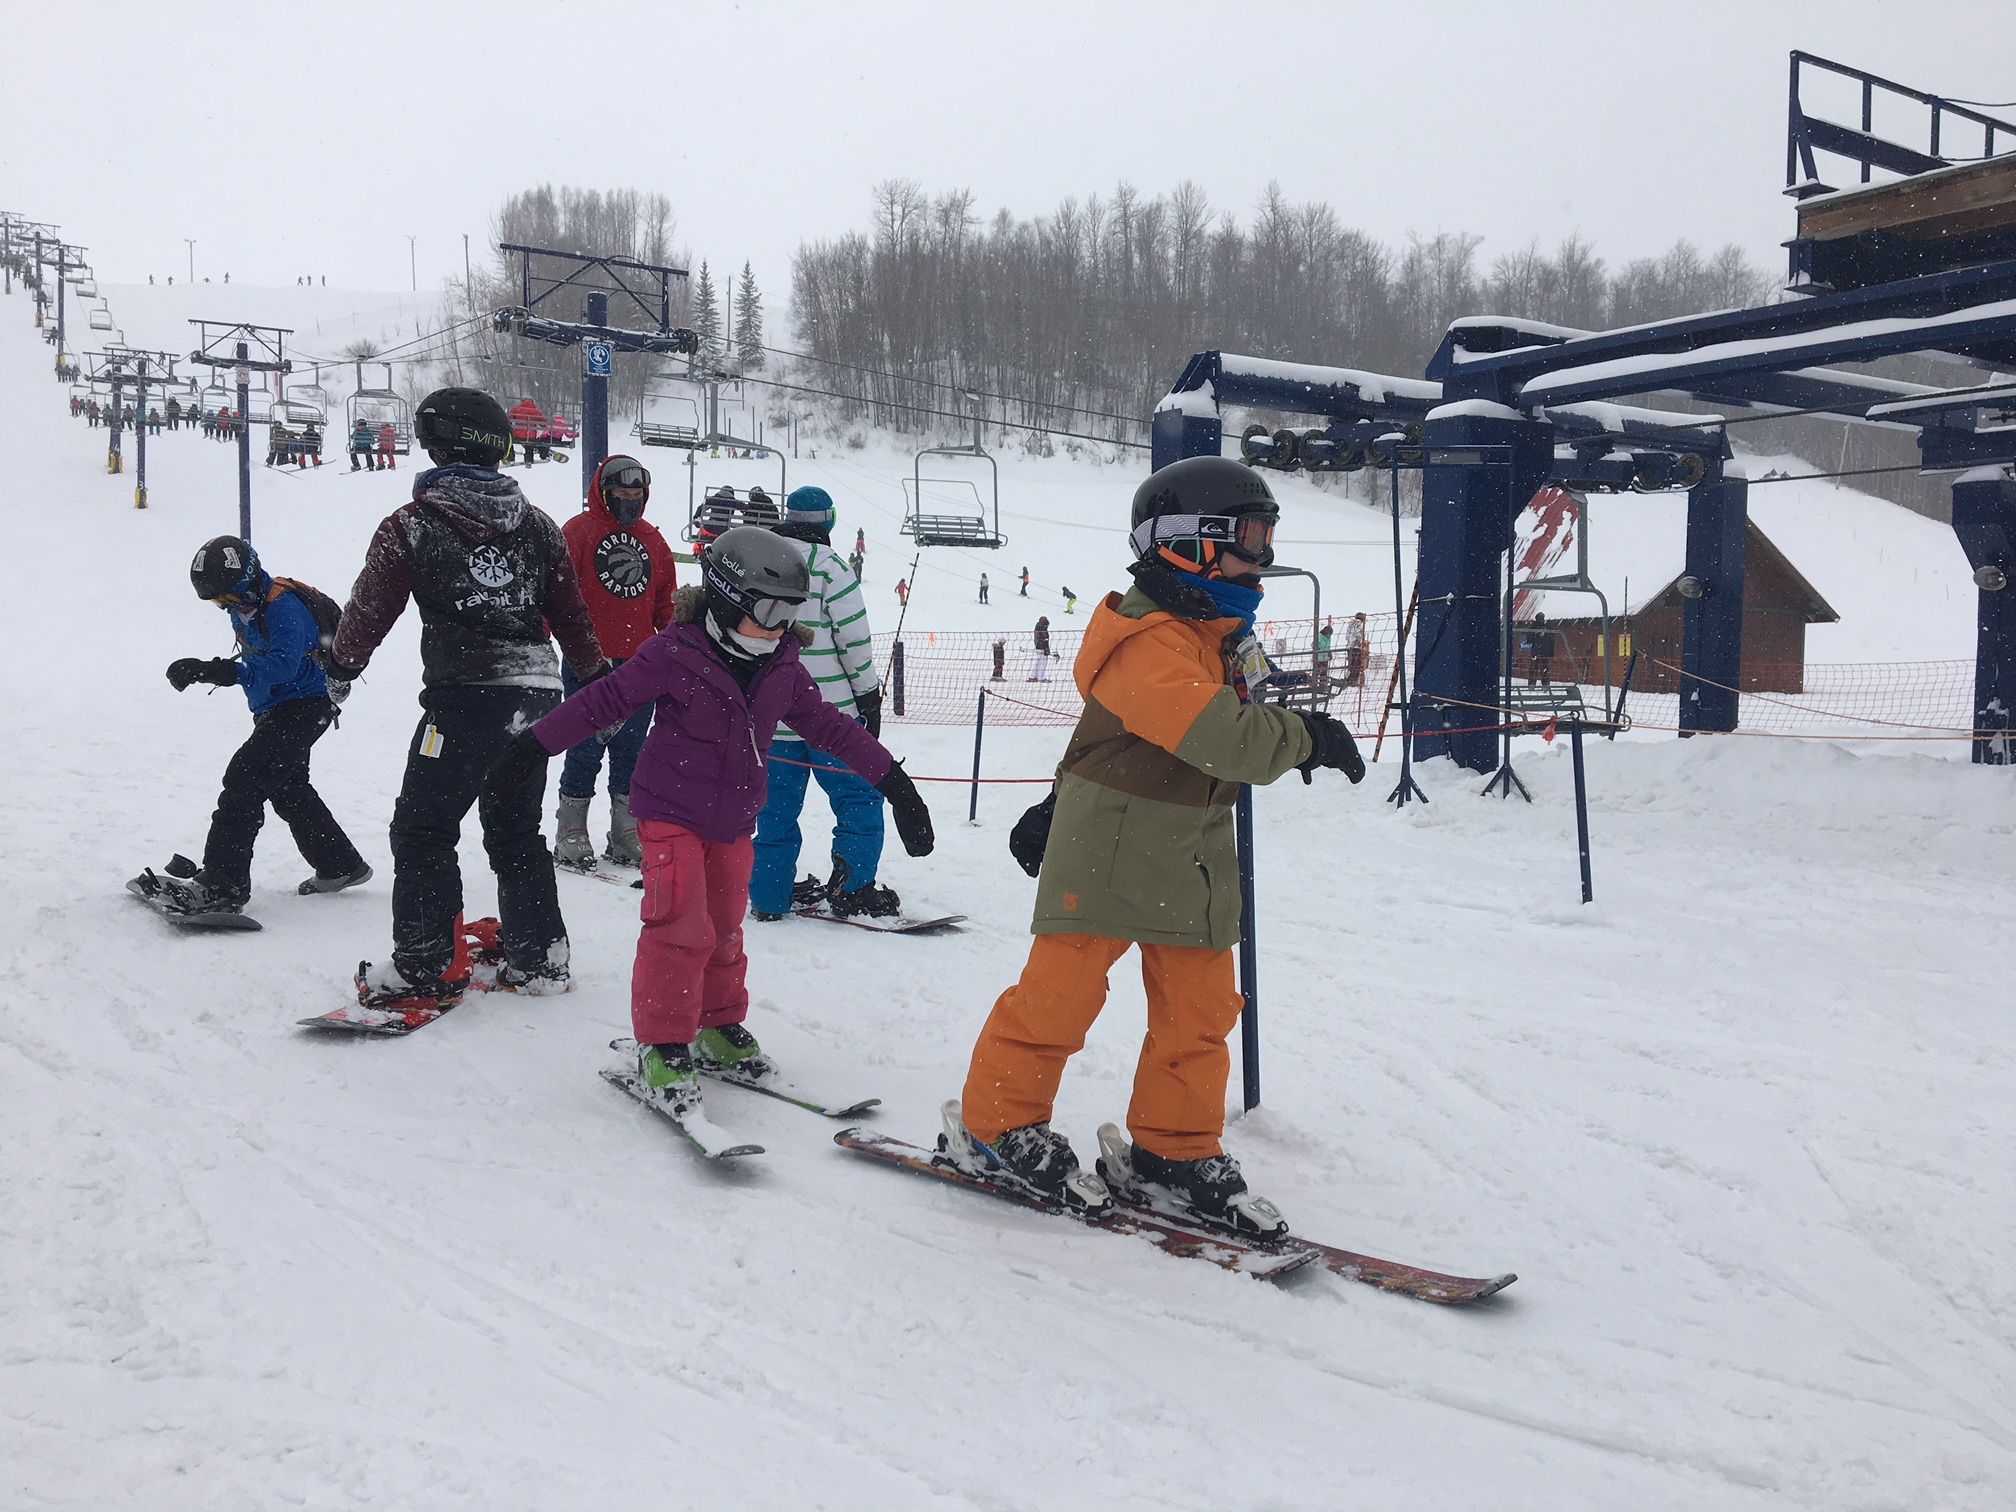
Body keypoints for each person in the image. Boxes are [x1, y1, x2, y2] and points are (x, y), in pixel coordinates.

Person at [943, 456, 1365, 1229]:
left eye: (1268, 534)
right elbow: (1223, 737)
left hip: (1189, 853)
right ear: (1186, 542)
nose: (1263, 554)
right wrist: (1308, 736)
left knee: (1200, 1012)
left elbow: (1128, 737)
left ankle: (1174, 1146)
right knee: (1059, 1000)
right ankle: (996, 1125)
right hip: (1108, 849)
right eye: (1248, 536)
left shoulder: (1218, 638)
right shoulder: (1146, 639)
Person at [485, 527, 934, 1116]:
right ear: (727, 598)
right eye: (768, 612)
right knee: (679, 925)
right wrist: (530, 749)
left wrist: (895, 784)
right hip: (669, 812)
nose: (778, 628)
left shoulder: (782, 665)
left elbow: (831, 727)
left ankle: (716, 1024)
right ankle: (664, 1043)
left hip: (733, 821)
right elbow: (604, 701)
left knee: (723, 926)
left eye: (790, 614)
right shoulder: (675, 653)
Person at [325, 387, 608, 1008]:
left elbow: (369, 611)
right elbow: (573, 616)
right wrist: (596, 681)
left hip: (465, 697)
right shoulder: (538, 525)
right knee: (515, 830)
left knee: (423, 829)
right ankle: (539, 956)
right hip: (537, 698)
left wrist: (340, 667)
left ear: (436, 445)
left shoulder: (412, 524)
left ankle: (427, 964)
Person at [143, 536, 370, 915]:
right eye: (218, 602)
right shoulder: (246, 607)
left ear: (249, 578)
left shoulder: (284, 608)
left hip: (306, 706)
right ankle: (339, 864)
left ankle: (223, 883)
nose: (227, 606)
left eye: (229, 597)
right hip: (281, 707)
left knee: (244, 780)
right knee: (287, 787)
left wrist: (216, 671)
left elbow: (282, 666)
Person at [748, 487, 892, 920]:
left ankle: (769, 894)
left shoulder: (763, 559)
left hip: (773, 717)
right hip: (831, 718)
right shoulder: (831, 568)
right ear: (828, 520)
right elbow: (854, 642)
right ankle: (852, 886)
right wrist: (868, 697)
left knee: (774, 809)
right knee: (858, 799)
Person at [554, 455, 678, 871]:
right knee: (584, 747)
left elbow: (666, 605)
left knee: (633, 750)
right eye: (622, 493)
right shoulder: (578, 532)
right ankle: (571, 828)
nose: (630, 499)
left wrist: (680, 647)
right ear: (604, 493)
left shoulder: (653, 540)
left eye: (636, 493)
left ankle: (625, 830)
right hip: (587, 660)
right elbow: (555, 593)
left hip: (641, 664)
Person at [1525, 612, 1552, 688]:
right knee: (1539, 668)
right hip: (1539, 651)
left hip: (1540, 651)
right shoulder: (1536, 626)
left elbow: (1552, 638)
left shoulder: (1544, 626)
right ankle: (1538, 685)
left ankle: (1538, 685)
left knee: (1539, 669)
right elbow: (1529, 639)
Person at [1344, 612, 1368, 688]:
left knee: (1352, 664)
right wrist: (1360, 639)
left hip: (1349, 646)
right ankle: (1354, 680)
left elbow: (1347, 636)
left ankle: (1350, 678)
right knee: (1357, 664)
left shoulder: (1351, 624)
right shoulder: (1359, 624)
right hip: (1356, 646)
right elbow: (1357, 633)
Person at [1029, 614, 1052, 682]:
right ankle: (1041, 678)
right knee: (1043, 663)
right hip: (1043, 648)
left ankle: (1033, 676)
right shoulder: (1042, 630)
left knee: (1038, 662)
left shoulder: (1037, 628)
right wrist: (1046, 649)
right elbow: (1044, 640)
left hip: (1038, 647)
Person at [1313, 617, 1334, 688]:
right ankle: (1314, 684)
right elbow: (1313, 644)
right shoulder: (1320, 637)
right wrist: (1317, 647)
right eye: (1329, 634)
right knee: (1317, 671)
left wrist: (1329, 653)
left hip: (1325, 658)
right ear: (1326, 632)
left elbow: (1328, 647)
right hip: (1318, 658)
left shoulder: (1329, 639)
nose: (1330, 635)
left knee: (1324, 672)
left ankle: (1322, 685)